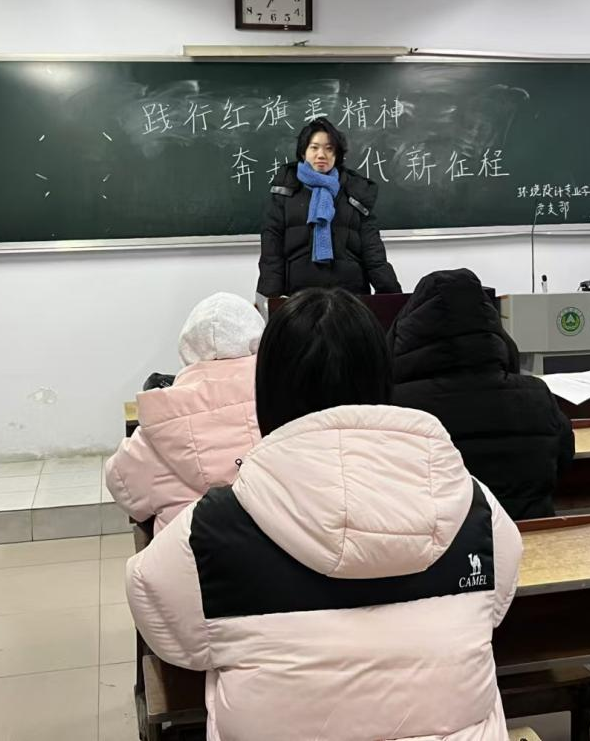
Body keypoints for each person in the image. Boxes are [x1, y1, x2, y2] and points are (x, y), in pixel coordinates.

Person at [127, 287, 523, 741]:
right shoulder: (473, 505)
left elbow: (160, 612)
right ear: (383, 378)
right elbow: (496, 604)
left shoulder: (212, 528)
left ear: (266, 389)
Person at [389, 268, 575, 520]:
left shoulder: (397, 407)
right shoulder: (537, 395)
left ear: (409, 333)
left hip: (444, 541)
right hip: (529, 534)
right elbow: (563, 459)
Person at [105, 293, 264, 534]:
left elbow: (121, 484)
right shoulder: (286, 403)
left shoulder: (160, 422)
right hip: (277, 554)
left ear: (187, 347)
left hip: (189, 553)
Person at [257, 117, 401, 297]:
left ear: (337, 155)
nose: (321, 155)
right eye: (314, 147)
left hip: (349, 297)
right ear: (303, 153)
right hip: (298, 298)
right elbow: (271, 254)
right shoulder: (284, 192)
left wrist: (393, 298)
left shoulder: (355, 191)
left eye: (329, 148)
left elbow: (373, 253)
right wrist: (270, 301)